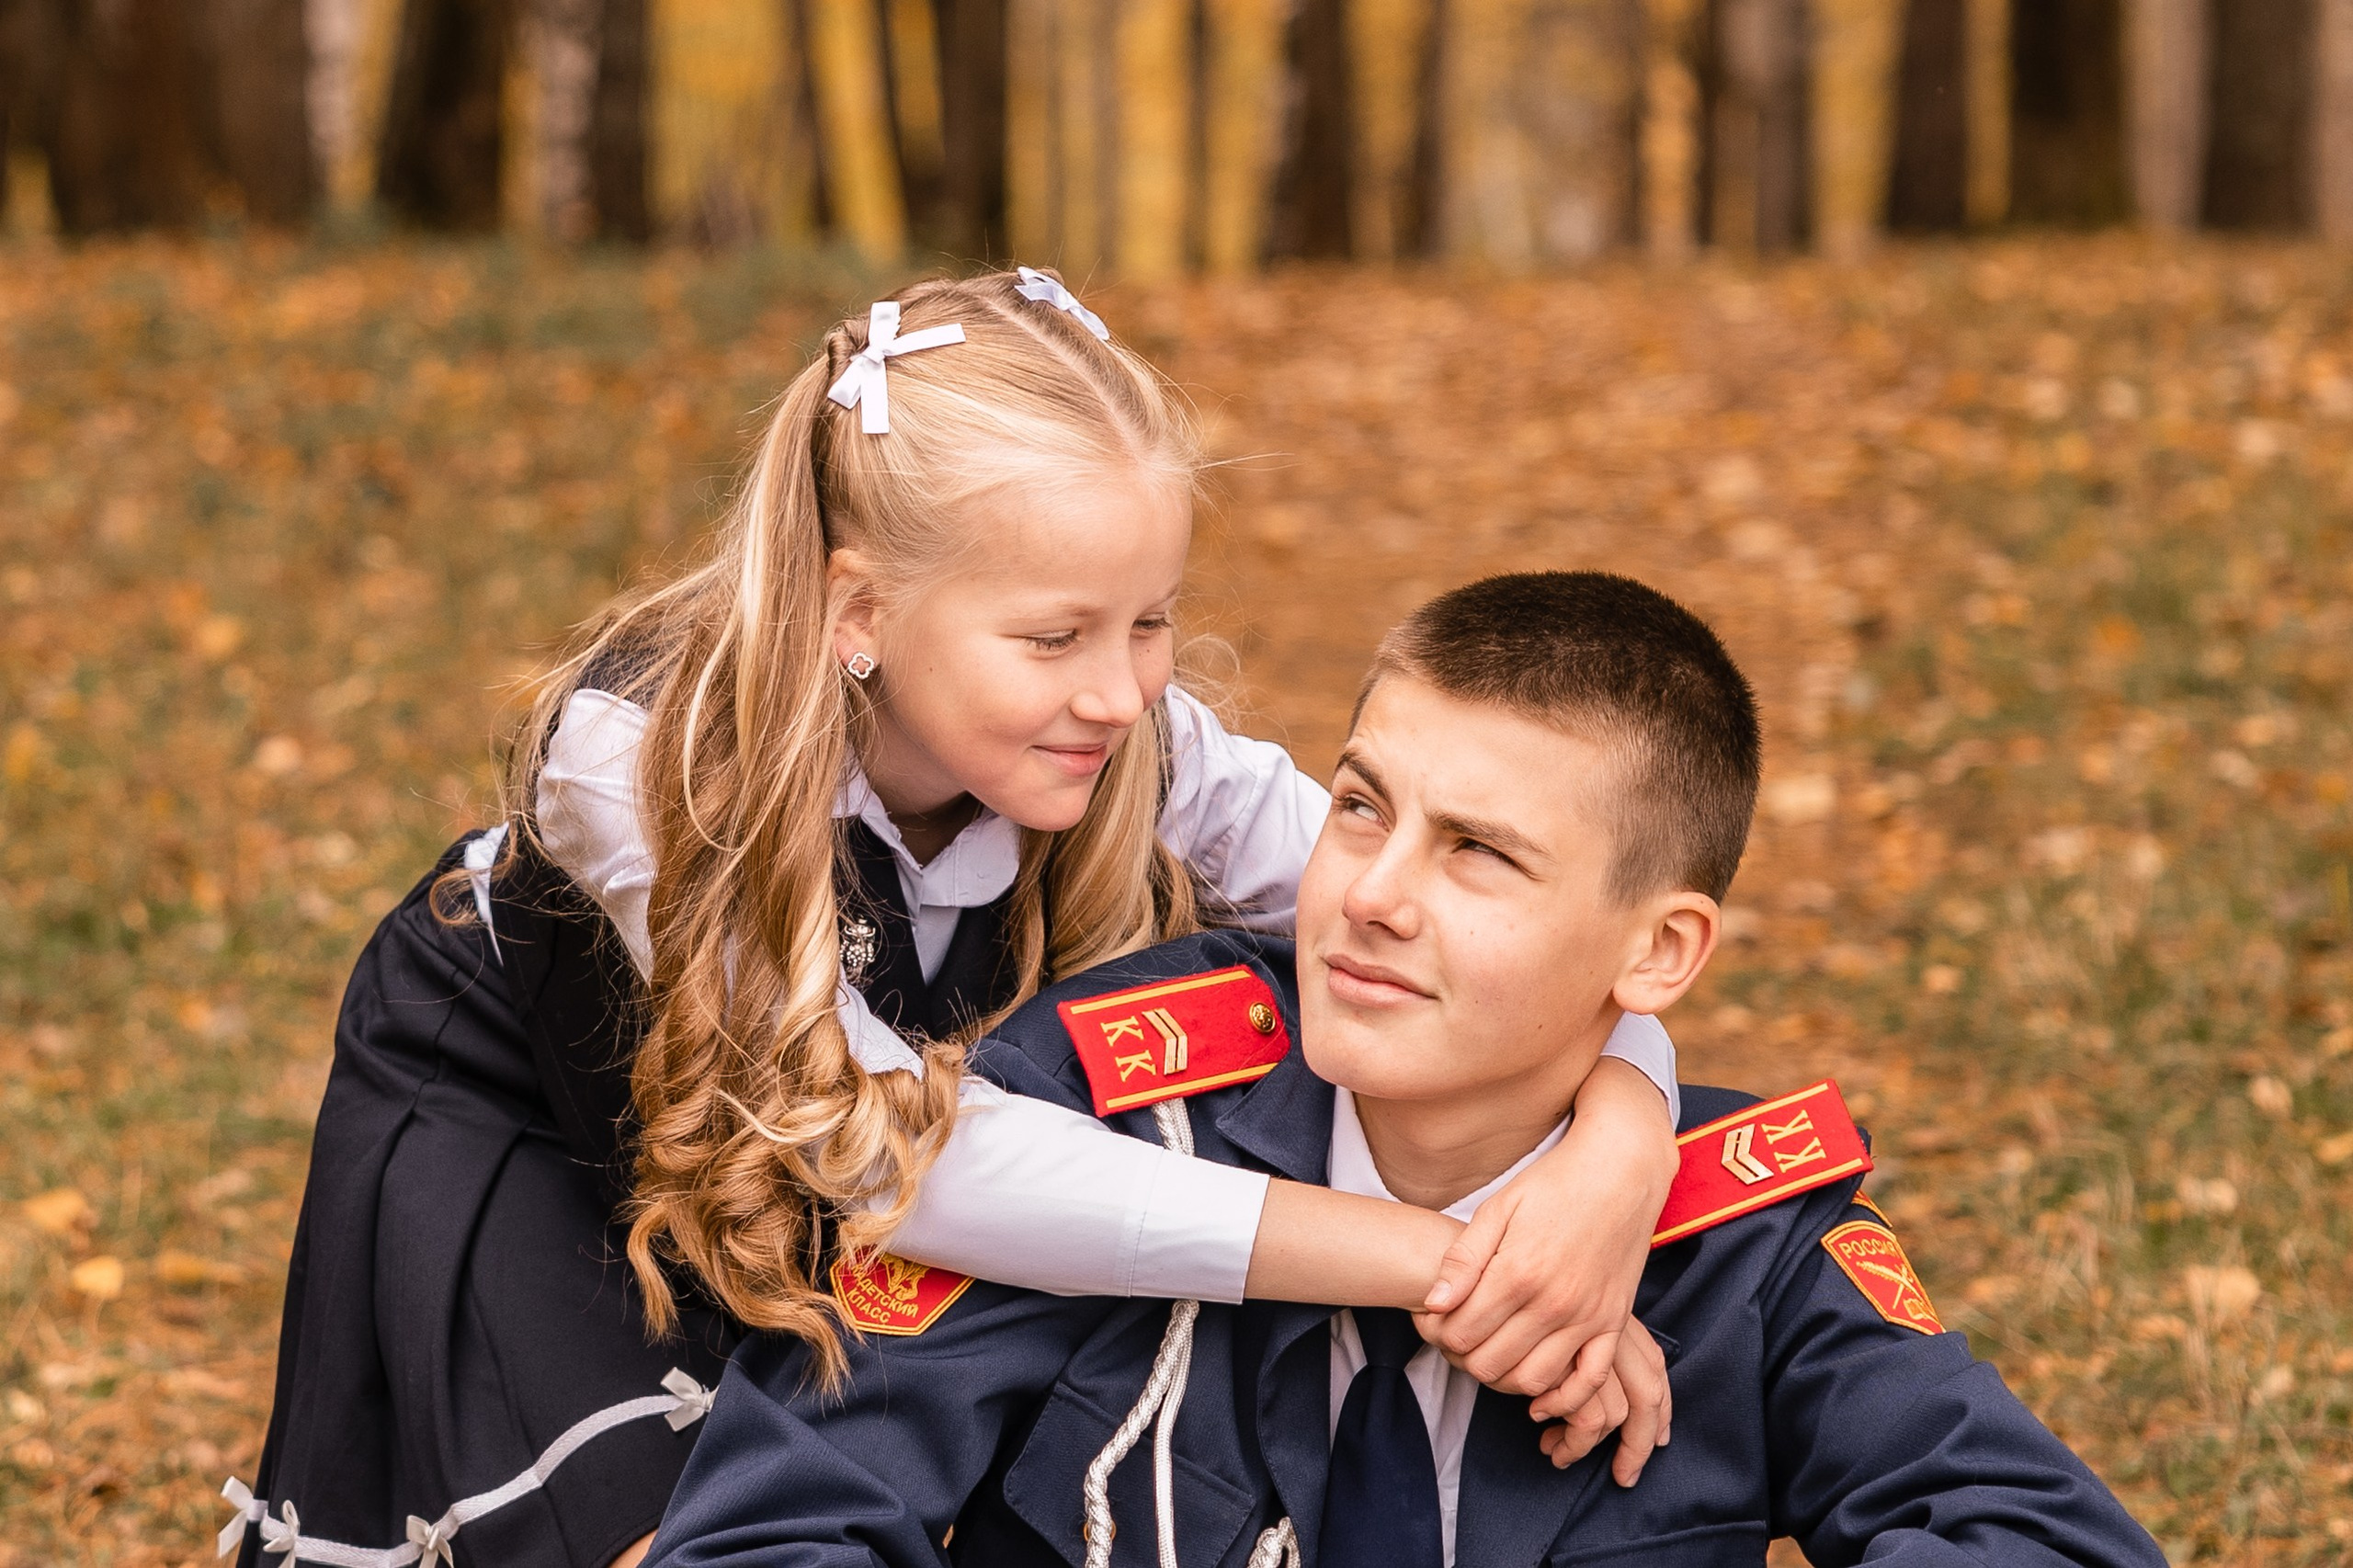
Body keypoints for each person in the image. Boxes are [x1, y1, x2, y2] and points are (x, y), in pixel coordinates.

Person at [231, 277, 1688, 1568]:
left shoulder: (1130, 736)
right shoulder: (641, 755)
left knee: (847, 1489)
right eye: (1055, 636)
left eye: (1151, 620)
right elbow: (901, 1166)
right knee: (668, 1527)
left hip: (810, 1159)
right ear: (856, 610)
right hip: (541, 1116)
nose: (1121, 692)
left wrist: (1620, 1146)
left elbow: (1507, 938)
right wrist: (1441, 1256)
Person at [641, 572, 2167, 1568]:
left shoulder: (1741, 1251)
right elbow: (779, 1521)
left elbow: (2038, 1536)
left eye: (1481, 854)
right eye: (1362, 808)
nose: (1369, 891)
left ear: (1659, 957)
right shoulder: (1108, 1125)